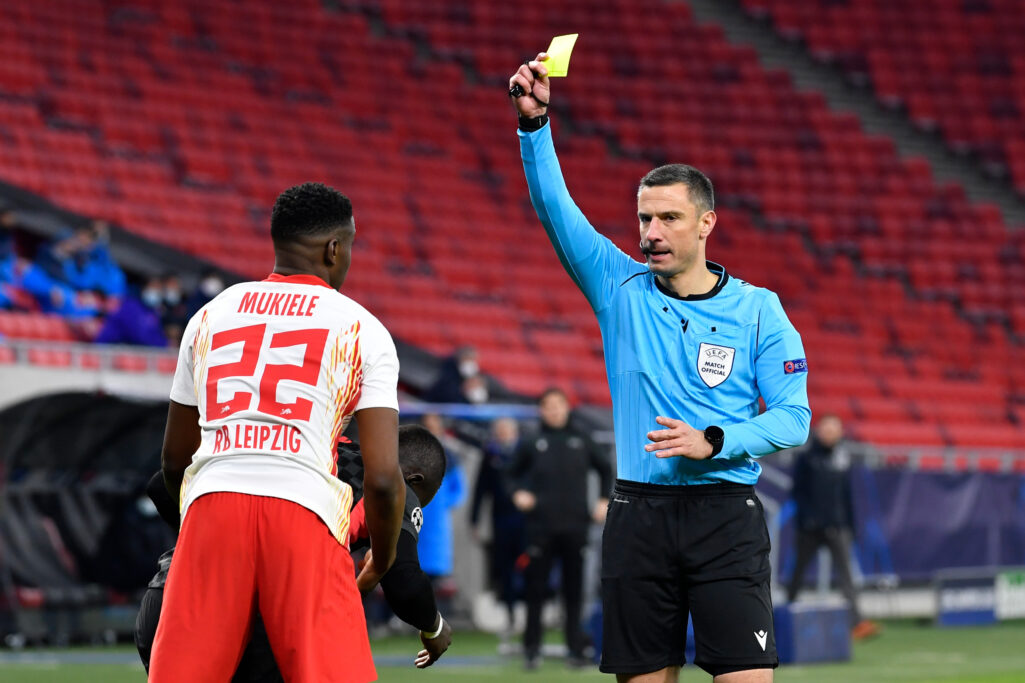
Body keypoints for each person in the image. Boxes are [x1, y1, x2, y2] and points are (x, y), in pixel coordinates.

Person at [509, 54, 811, 682]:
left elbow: (794, 418)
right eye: (644, 217)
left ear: (706, 224)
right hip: (637, 517)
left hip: (725, 516)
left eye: (668, 217)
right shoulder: (619, 287)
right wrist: (534, 127)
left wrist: (715, 441)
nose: (651, 231)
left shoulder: (758, 309)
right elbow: (555, 209)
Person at [148, 182, 405, 683]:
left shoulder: (210, 314)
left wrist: (203, 534)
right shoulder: (362, 328)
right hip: (302, 511)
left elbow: (175, 460)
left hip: (212, 503)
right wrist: (384, 558)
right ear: (335, 248)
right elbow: (382, 478)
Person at [136, 425, 454, 679]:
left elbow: (159, 486)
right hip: (250, 615)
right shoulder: (391, 484)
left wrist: (214, 544)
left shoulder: (314, 446)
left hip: (167, 597)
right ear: (414, 479)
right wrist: (434, 628)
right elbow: (405, 583)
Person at [509, 387, 612, 670]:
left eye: (558, 406)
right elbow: (510, 474)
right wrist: (518, 493)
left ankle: (576, 651)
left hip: (575, 526)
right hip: (540, 527)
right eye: (548, 406)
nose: (553, 411)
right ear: (542, 410)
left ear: (566, 408)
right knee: (536, 590)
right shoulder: (532, 441)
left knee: (574, 591)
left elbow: (605, 468)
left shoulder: (581, 438)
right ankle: (531, 650)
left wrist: (603, 500)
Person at [786, 415, 879, 640]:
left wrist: (850, 524)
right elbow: (797, 491)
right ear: (818, 431)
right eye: (826, 429)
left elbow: (846, 495)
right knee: (797, 573)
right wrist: (808, 519)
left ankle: (856, 622)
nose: (829, 433)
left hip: (838, 526)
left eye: (834, 429)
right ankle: (785, 617)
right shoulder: (806, 457)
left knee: (847, 575)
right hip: (809, 527)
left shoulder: (843, 457)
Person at [470, 416, 526, 630]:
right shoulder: (491, 454)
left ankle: (530, 608)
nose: (503, 434)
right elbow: (480, 488)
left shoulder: (525, 451)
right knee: (504, 566)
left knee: (527, 562)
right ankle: (510, 610)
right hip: (500, 518)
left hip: (524, 519)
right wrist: (474, 518)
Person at [417, 413, 468, 613]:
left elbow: (459, 488)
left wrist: (445, 502)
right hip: (416, 515)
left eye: (435, 426)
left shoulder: (449, 457)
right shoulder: (409, 454)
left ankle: (436, 615)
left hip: (437, 521)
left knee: (437, 568)